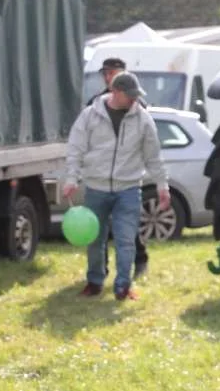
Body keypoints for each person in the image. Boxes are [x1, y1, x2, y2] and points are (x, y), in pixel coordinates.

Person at [63, 72, 169, 300]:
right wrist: (72, 178)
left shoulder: (143, 120)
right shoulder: (90, 116)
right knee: (94, 240)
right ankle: (94, 282)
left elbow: (153, 156)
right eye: (129, 95)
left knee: (126, 240)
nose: (134, 100)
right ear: (115, 92)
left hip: (128, 189)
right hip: (96, 188)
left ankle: (123, 286)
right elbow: (76, 149)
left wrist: (163, 186)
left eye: (135, 96)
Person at [88, 58, 151, 279]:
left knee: (128, 228)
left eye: (112, 72)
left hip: (127, 178)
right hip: (101, 178)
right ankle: (100, 271)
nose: (108, 76)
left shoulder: (137, 105)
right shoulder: (94, 103)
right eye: (105, 73)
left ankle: (139, 261)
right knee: (98, 231)